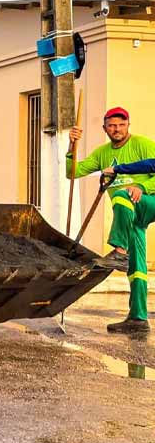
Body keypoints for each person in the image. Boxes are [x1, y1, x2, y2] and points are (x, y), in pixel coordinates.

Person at [69, 106, 155, 334]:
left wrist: (142, 186)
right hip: (130, 216)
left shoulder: (142, 144)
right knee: (137, 267)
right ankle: (137, 318)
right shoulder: (102, 153)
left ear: (128, 125)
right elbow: (72, 172)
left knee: (122, 194)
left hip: (150, 202)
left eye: (121, 125)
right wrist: (72, 146)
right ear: (105, 128)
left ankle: (119, 251)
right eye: (112, 125)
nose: (117, 129)